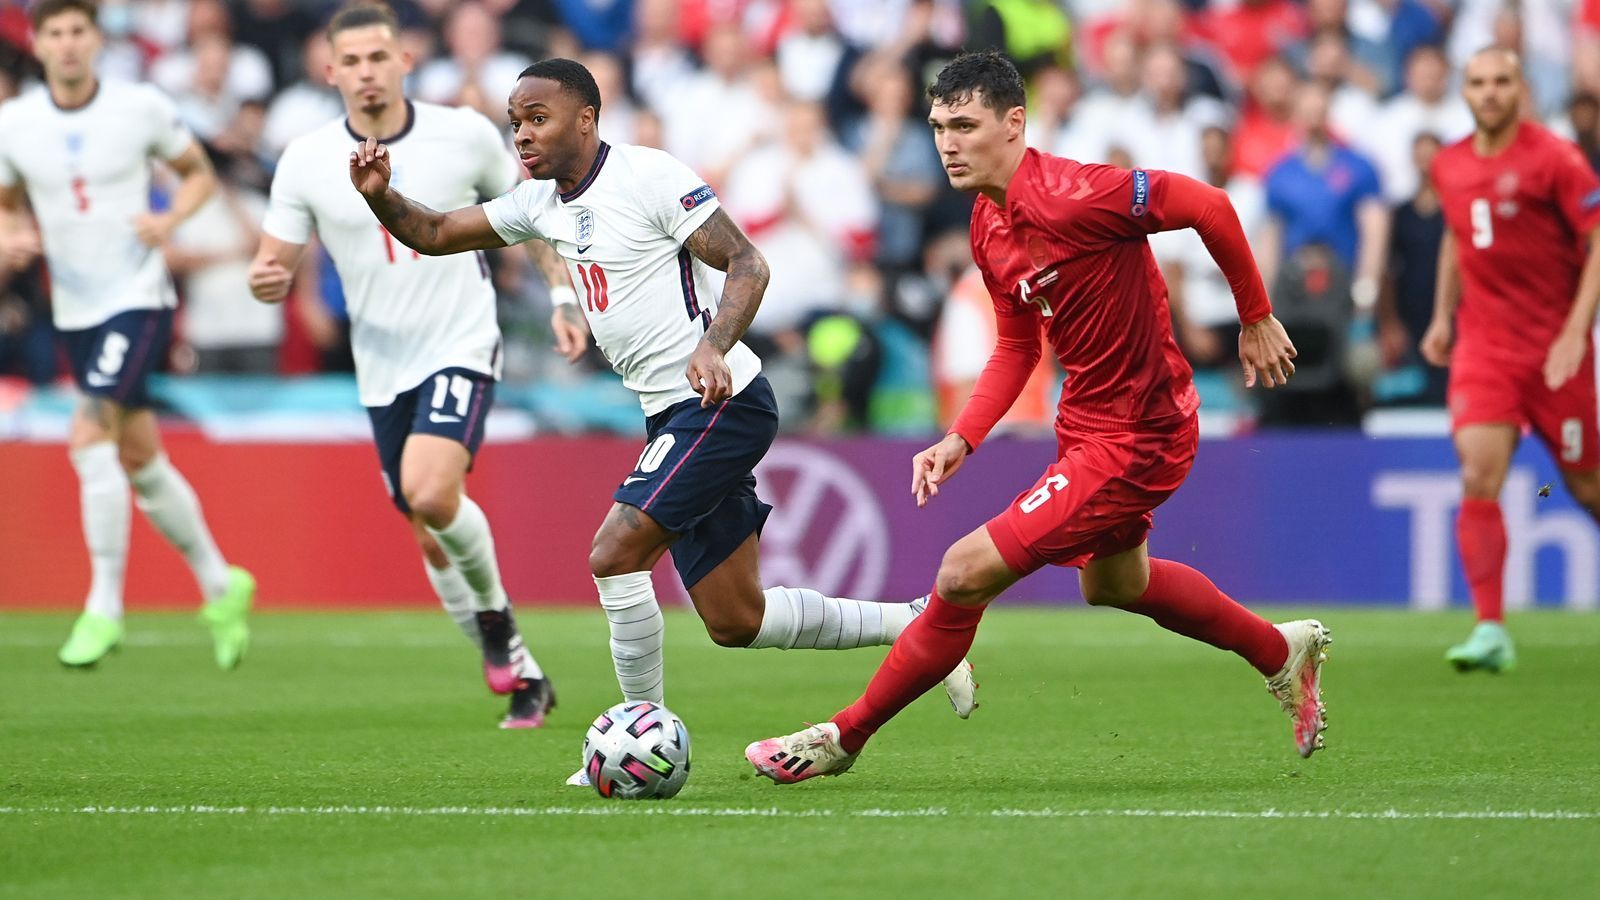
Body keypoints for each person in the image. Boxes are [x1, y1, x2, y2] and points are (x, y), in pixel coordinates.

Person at [345, 57, 975, 781]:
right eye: (515, 121)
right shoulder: (537, 203)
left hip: (719, 402)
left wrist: (713, 346)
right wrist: (381, 197)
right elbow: (431, 231)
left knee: (613, 554)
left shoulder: (647, 175)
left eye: (537, 119)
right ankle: (921, 622)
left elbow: (746, 262)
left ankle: (640, 737)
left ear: (586, 118)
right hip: (670, 414)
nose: (521, 134)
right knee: (737, 620)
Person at [744, 51, 1331, 784]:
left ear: (1014, 123)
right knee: (1113, 585)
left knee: (960, 572)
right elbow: (1019, 344)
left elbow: (1209, 205)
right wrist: (962, 436)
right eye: (937, 127)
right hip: (1085, 425)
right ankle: (1280, 652)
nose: (947, 143)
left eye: (965, 124)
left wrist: (1255, 316)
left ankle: (843, 737)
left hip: (1139, 434)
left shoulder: (1083, 193)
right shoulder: (988, 225)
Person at [246, 2, 555, 727]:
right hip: (381, 364)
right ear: (330, 71)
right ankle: (525, 674)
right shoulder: (305, 158)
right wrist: (267, 279)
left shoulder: (464, 133)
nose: (366, 71)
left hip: (460, 339)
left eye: (377, 57)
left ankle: (497, 632)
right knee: (426, 523)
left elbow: (529, 211)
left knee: (431, 490)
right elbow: (274, 258)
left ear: (405, 61)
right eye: (350, 61)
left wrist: (566, 296)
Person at [0, 0, 253, 669]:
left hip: (137, 297)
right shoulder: (13, 124)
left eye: (78, 30)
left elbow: (198, 175)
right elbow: (6, 205)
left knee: (88, 434)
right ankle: (222, 584)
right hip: (76, 309)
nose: (67, 44)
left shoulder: (138, 106)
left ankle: (104, 606)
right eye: (54, 33)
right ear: (41, 43)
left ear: (95, 38)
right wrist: (13, 237)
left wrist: (166, 225)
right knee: (139, 457)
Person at [1420, 48, 1600, 673]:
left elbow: (1597, 237)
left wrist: (1578, 330)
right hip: (1485, 348)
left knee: (1586, 486)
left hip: (1556, 353)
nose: (1490, 93)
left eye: (1502, 82)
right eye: (1478, 83)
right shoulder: (1448, 164)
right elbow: (1455, 236)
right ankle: (1490, 628)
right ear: (1464, 92)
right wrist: (1443, 315)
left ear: (1521, 89)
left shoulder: (1556, 158)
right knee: (1477, 475)